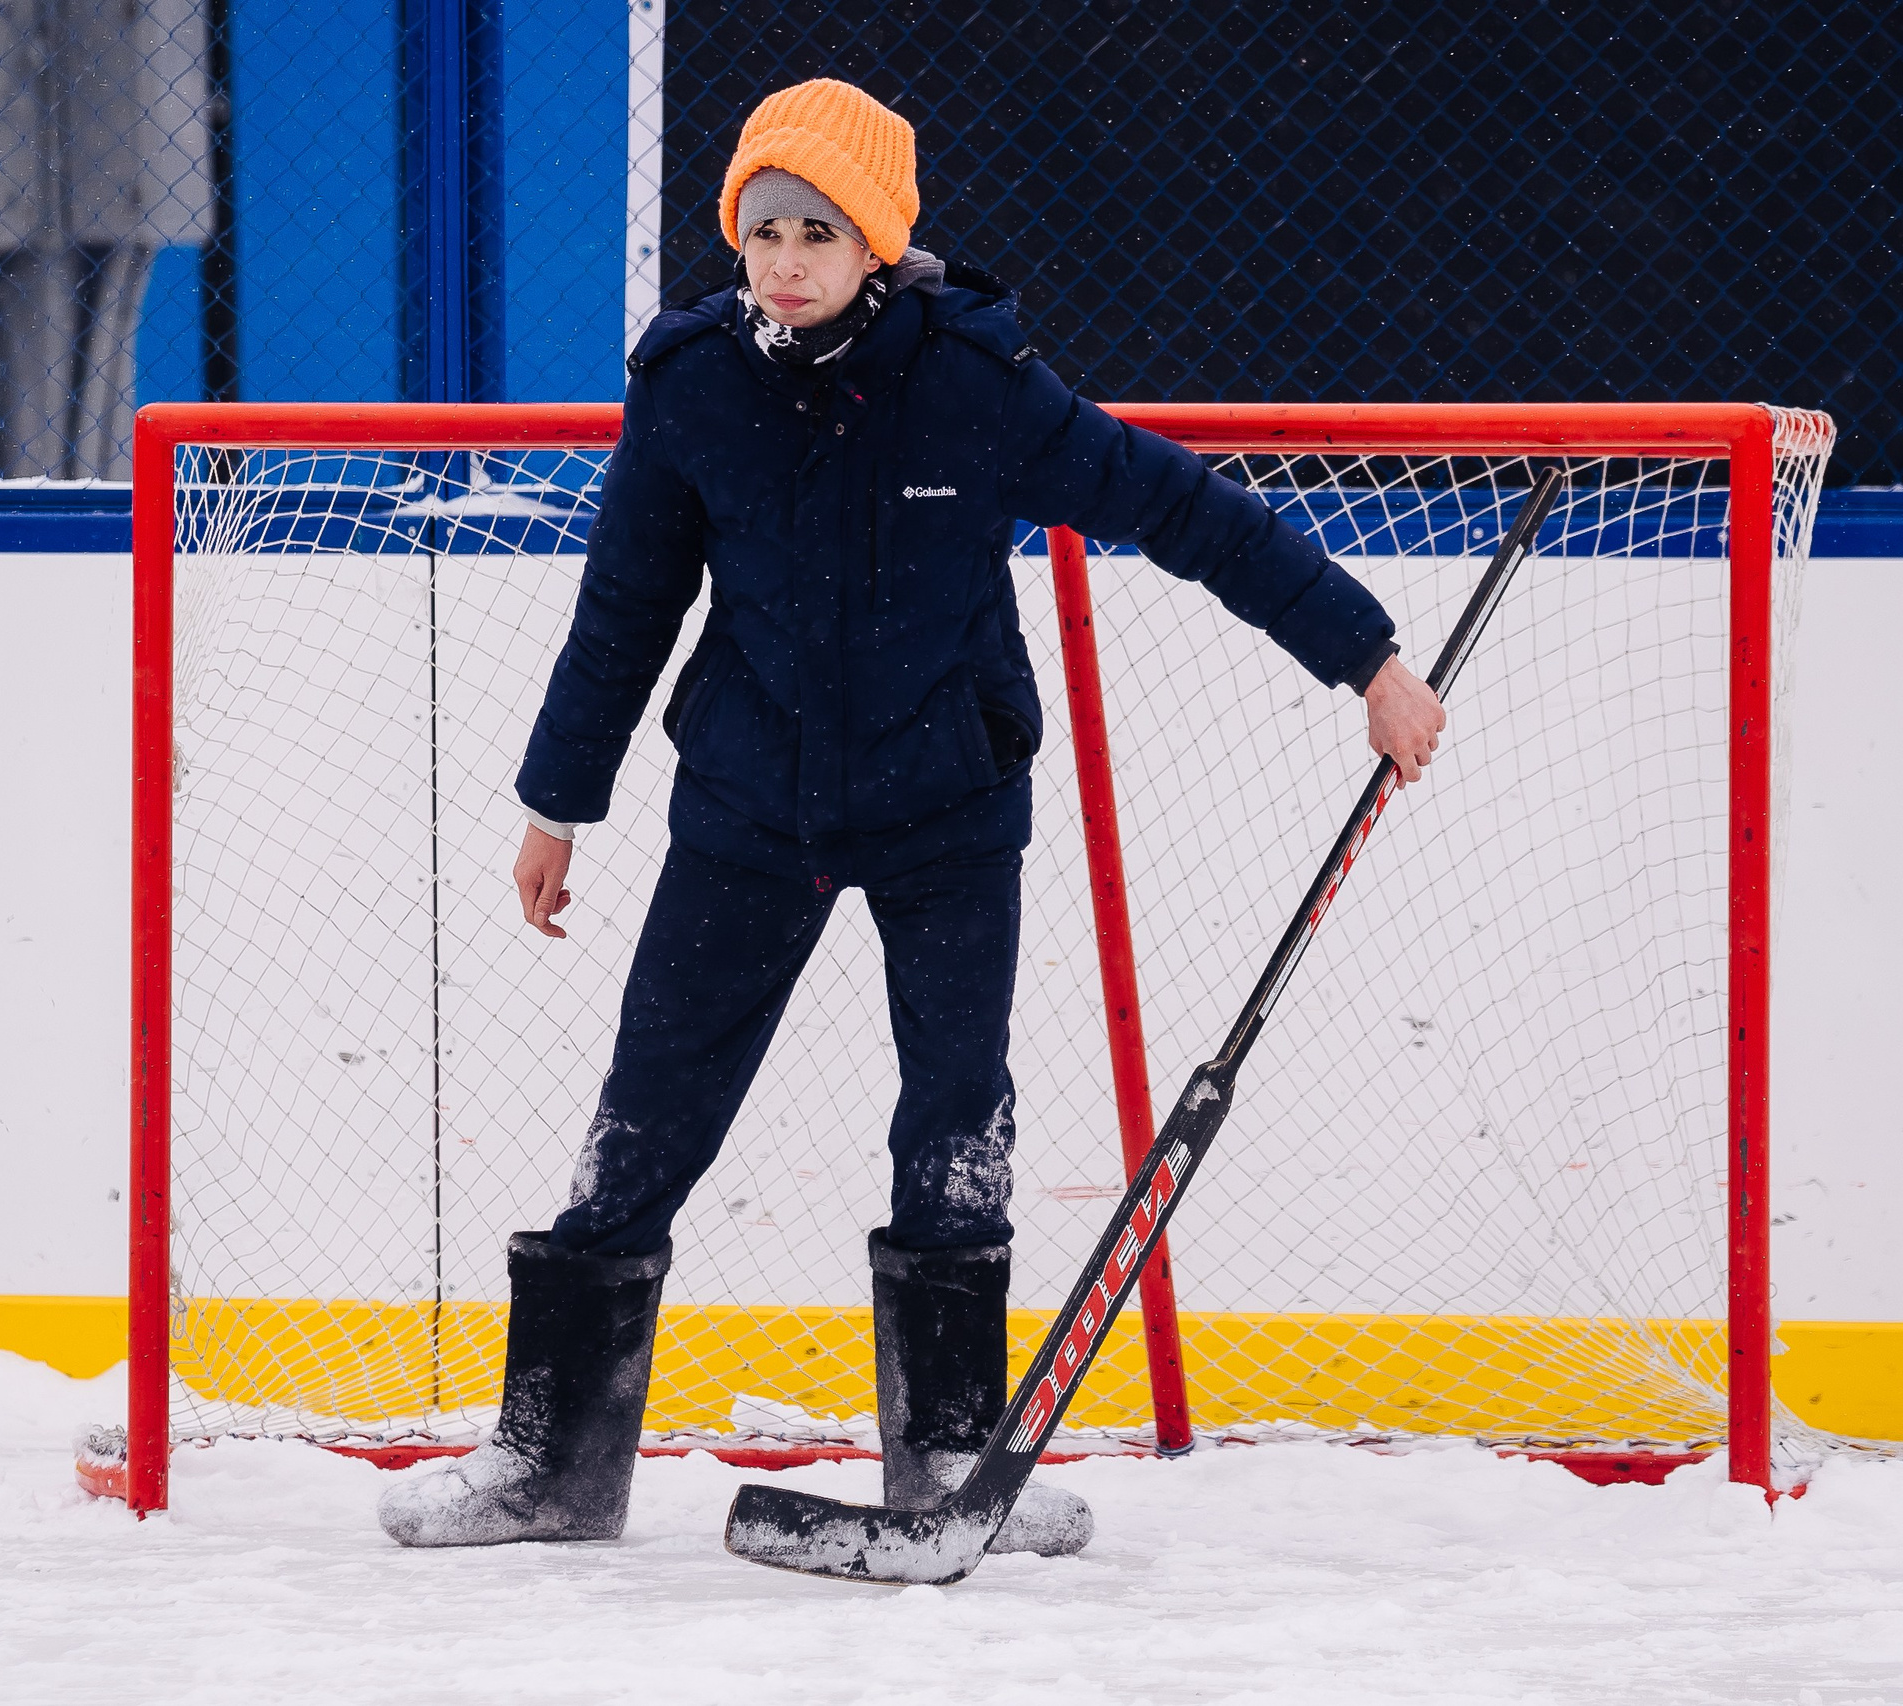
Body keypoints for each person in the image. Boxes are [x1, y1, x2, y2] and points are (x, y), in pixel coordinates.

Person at [379, 77, 1445, 1553]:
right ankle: (552, 1457)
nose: (788, 258)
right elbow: (626, 602)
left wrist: (1369, 654)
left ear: (878, 243)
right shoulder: (694, 383)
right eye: (763, 230)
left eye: (820, 230)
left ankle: (947, 1459)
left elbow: (1185, 510)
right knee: (645, 1111)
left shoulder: (974, 381)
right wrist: (559, 800)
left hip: (946, 806)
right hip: (750, 803)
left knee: (955, 1121)